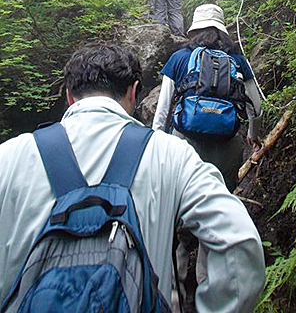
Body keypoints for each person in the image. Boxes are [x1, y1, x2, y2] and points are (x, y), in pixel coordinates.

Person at [0, 43, 265, 312]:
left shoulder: (8, 157)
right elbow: (238, 242)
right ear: (134, 92)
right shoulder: (171, 154)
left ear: (68, 96)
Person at [152, 4, 263, 310]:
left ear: (195, 29)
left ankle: (175, 294)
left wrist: (157, 145)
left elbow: (162, 111)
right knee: (214, 211)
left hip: (184, 146)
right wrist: (252, 136)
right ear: (223, 30)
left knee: (176, 219)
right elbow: (258, 107)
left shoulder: (179, 58)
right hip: (226, 148)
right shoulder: (238, 60)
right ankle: (206, 286)